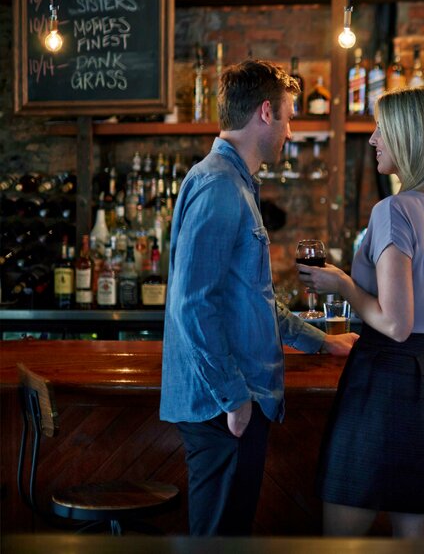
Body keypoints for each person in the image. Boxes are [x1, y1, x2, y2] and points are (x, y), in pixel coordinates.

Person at [160, 60, 355, 536]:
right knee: (220, 543)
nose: (290, 129)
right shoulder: (220, 188)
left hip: (227, 405)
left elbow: (250, 299)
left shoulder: (232, 183)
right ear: (265, 112)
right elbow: (193, 303)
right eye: (289, 116)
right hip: (222, 409)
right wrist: (235, 398)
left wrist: (321, 341)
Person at [297, 86, 424, 538]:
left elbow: (395, 322)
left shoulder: (392, 210)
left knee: (342, 543)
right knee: (417, 543)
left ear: (409, 139)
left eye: (381, 130)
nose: (372, 140)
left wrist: (343, 285)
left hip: (381, 382)